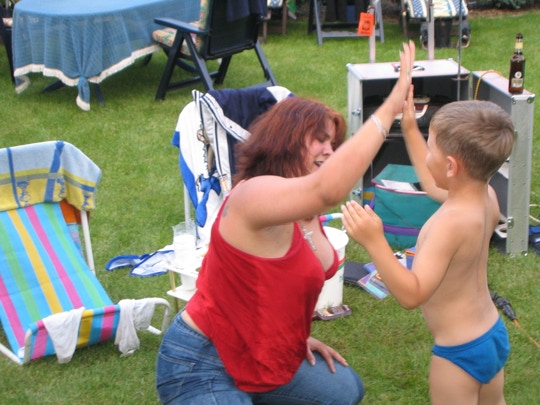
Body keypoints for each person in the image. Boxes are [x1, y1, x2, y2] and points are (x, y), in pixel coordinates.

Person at [155, 42, 417, 404]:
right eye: (320, 140)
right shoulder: (252, 195)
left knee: (344, 391)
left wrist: (291, 339)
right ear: (286, 140)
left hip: (259, 351)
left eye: (334, 143)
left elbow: (277, 290)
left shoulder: (302, 209)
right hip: (202, 360)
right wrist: (391, 106)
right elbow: (328, 189)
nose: (330, 151)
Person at [341, 88, 515, 404]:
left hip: (458, 353)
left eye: (430, 148)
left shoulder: (447, 225)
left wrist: (374, 241)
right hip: (490, 333)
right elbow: (434, 183)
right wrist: (410, 128)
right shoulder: (484, 197)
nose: (426, 156)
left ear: (450, 166)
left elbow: (413, 294)